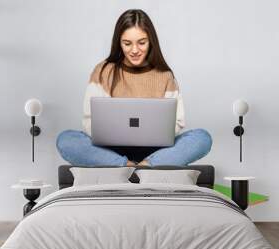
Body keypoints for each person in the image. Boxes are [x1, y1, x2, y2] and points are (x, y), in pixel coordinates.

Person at [57, 9, 212, 167]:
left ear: (151, 41)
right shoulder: (103, 71)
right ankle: (128, 166)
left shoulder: (165, 75)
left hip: (156, 151)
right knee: (66, 140)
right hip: (111, 151)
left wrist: (155, 136)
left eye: (142, 42)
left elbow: (177, 122)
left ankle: (146, 165)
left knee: (202, 138)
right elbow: (90, 120)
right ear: (119, 42)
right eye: (127, 43)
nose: (135, 50)